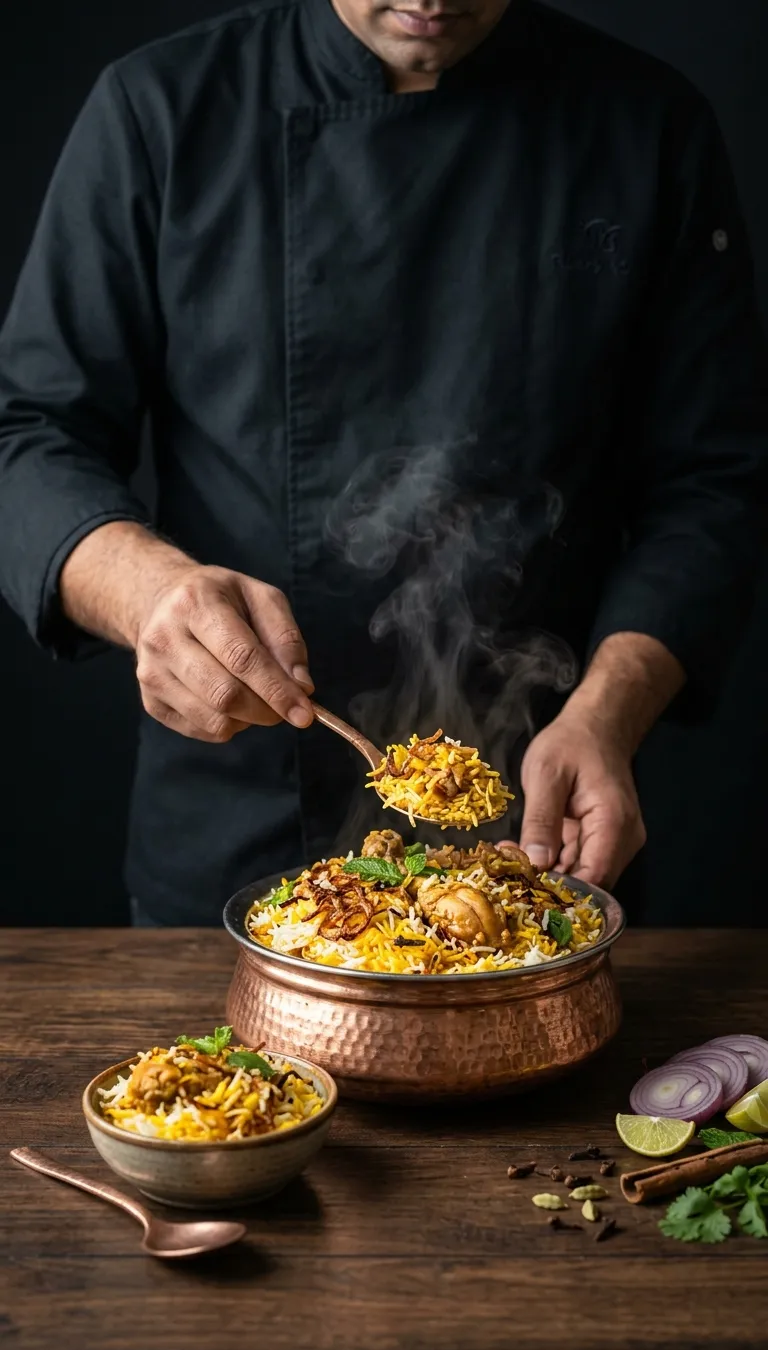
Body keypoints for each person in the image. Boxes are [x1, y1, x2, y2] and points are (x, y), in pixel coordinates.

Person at [0, 0, 766, 927]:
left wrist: (608, 711)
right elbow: (28, 436)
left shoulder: (648, 125)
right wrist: (147, 590)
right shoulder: (157, 109)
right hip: (233, 832)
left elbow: (714, 481)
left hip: (537, 837)